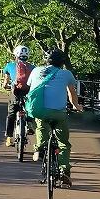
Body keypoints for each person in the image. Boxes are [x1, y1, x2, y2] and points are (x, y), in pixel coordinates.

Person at [28, 50, 83, 185]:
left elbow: (30, 87)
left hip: (39, 110)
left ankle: (40, 148)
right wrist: (76, 105)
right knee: (63, 142)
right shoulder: (66, 74)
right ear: (62, 62)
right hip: (58, 113)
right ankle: (64, 172)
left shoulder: (36, 71)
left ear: (47, 61)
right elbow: (72, 93)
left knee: (41, 125)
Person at [3, 45, 34, 146]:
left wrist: (5, 85)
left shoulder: (10, 66)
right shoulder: (33, 67)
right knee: (29, 108)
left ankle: (9, 137)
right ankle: (29, 124)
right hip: (28, 93)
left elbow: (6, 81)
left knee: (11, 113)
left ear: (16, 55)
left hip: (15, 92)